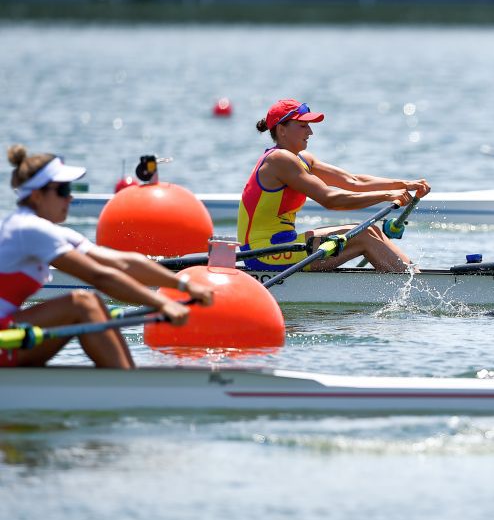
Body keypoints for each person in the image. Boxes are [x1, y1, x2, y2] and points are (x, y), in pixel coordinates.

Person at [2, 146, 213, 369]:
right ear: (36, 196)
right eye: (63, 190)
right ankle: (127, 384)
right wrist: (162, 303)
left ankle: (127, 379)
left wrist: (184, 285)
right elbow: (99, 277)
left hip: (7, 333)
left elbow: (122, 263)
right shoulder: (29, 229)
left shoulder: (45, 230)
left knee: (91, 303)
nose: (70, 197)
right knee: (82, 303)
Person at [237, 99, 431, 273]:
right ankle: (414, 288)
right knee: (364, 234)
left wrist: (405, 184)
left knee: (372, 230)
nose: (310, 132)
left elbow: (353, 181)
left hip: (283, 244)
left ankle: (414, 278)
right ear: (282, 130)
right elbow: (330, 200)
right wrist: (387, 195)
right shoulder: (279, 159)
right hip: (263, 253)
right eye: (303, 126)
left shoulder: (303, 159)